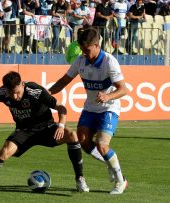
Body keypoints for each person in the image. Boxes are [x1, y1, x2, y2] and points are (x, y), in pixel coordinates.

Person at [0, 71, 89, 193]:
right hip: (24, 131)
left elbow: (61, 108)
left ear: (22, 84)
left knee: (71, 134)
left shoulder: (36, 91)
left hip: (46, 128)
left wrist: (60, 125)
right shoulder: (3, 92)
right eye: (11, 93)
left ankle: (80, 179)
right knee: (4, 152)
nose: (14, 97)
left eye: (17, 93)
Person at [49, 27, 128, 195]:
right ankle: (109, 163)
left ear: (96, 45)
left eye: (87, 50)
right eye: (82, 50)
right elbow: (63, 81)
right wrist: (47, 94)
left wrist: (108, 97)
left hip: (109, 107)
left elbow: (123, 89)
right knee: (83, 141)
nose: (84, 53)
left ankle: (121, 182)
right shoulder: (80, 60)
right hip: (90, 108)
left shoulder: (109, 61)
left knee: (102, 144)